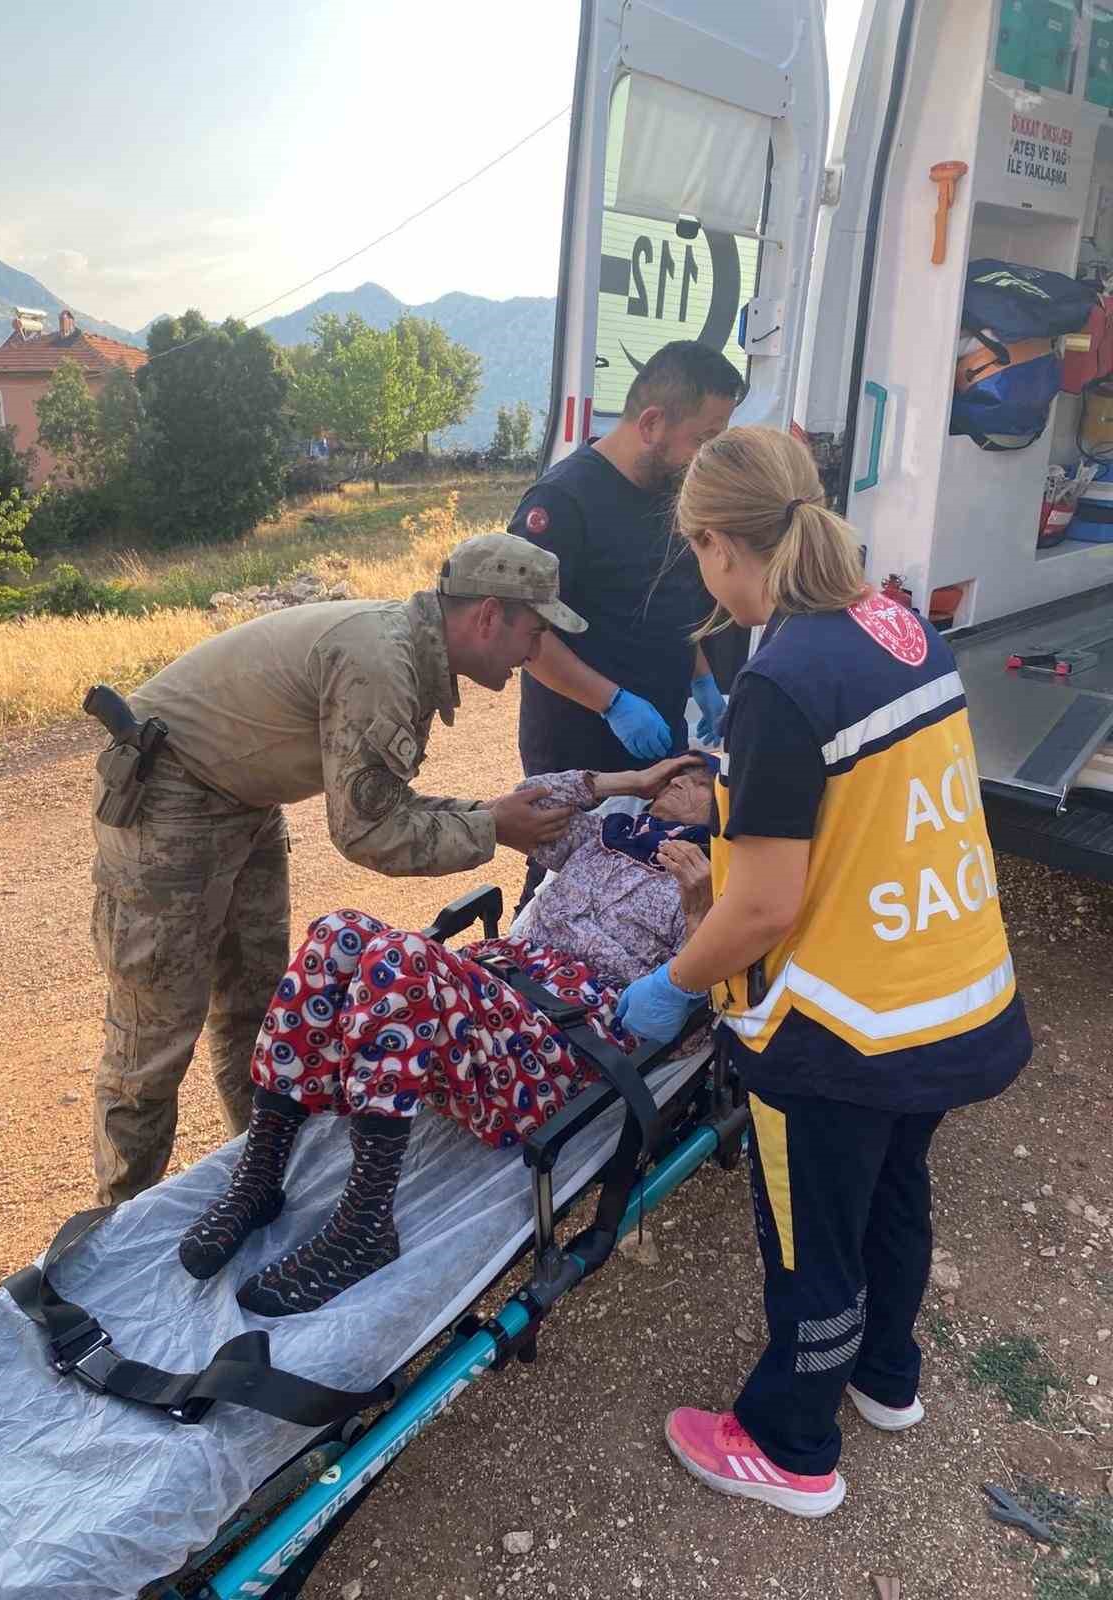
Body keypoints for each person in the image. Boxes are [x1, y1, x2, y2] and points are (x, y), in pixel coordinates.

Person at [616, 427, 1032, 1518]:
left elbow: (763, 903)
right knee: (896, 1189)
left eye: (697, 552)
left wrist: (672, 986)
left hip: (842, 1026)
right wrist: (737, 798)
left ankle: (791, 1443)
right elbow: (871, 808)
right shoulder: (895, 624)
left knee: (812, 1234)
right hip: (950, 994)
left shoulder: (783, 675)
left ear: (716, 546)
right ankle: (887, 1378)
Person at [91, 532, 584, 1207]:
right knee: (155, 1036)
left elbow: (383, 804)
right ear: (489, 615)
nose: (537, 652)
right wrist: (495, 826)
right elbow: (371, 831)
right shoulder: (381, 660)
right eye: (534, 631)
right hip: (172, 798)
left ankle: (261, 1178)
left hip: (240, 798)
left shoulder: (406, 649)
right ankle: (111, 1235)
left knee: (252, 1009)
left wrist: (490, 817)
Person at [176, 753, 717, 1317]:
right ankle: (261, 1174)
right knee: (337, 931)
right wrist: (624, 780)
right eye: (675, 771)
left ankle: (365, 1227)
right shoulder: (605, 835)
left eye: (699, 781)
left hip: (558, 1048)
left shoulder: (711, 884)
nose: (679, 779)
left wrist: (701, 911)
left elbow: (680, 1028)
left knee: (401, 957)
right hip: (485, 998)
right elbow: (533, 801)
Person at [509, 340, 744, 908]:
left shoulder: (671, 493)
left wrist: (701, 679)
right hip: (579, 739)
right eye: (703, 439)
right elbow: (526, 638)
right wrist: (612, 702)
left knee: (649, 877)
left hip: (659, 732)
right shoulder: (562, 503)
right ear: (652, 422)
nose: (705, 456)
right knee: (565, 889)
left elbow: (664, 604)